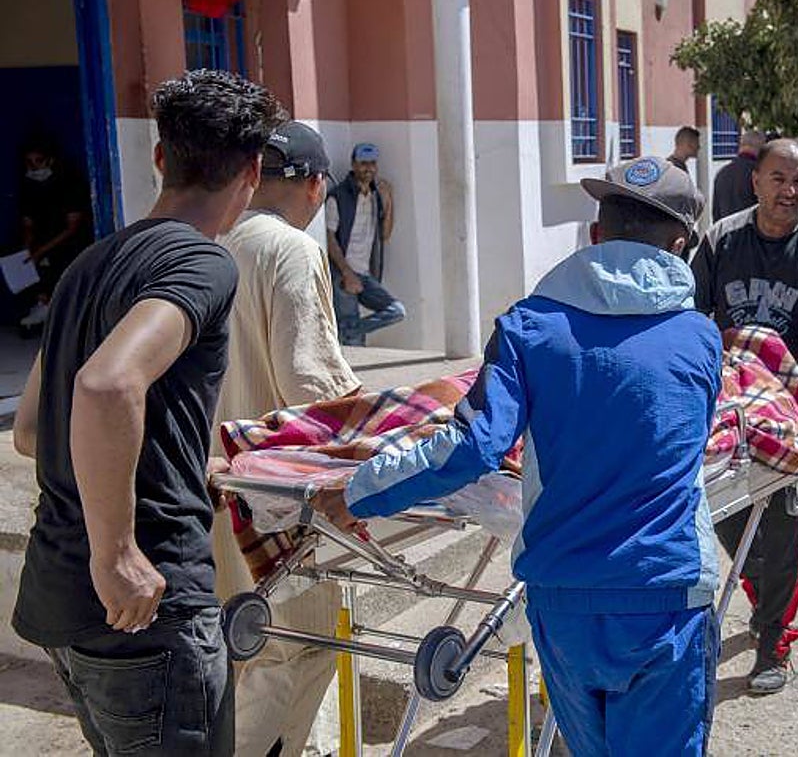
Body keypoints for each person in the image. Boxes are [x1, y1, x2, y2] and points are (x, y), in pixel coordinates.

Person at [312, 156, 721, 756]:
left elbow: (474, 446)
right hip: (667, 594)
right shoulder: (701, 339)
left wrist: (355, 493)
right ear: (681, 247)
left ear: (595, 236)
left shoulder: (529, 327)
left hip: (563, 603)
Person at [10, 69, 286, 756]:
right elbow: (107, 386)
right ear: (253, 171)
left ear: (161, 157)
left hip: (63, 599)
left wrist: (187, 461)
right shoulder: (203, 264)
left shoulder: (89, 263)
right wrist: (118, 553)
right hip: (143, 610)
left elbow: (30, 430)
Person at [212, 121, 361, 757]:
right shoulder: (292, 250)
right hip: (275, 497)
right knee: (294, 652)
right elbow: (313, 386)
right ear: (314, 184)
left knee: (246, 646)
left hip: (214, 483)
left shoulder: (214, 239)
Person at [691, 138, 798, 693]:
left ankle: (772, 644)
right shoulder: (719, 240)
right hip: (729, 410)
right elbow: (690, 322)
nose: (790, 192)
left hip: (794, 412)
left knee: (788, 532)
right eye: (779, 179)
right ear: (755, 181)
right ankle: (765, 592)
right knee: (722, 515)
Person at [326, 142, 406, 346]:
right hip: (342, 274)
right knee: (355, 344)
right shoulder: (338, 196)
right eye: (363, 163)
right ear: (353, 164)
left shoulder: (376, 195)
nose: (368, 168)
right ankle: (347, 334)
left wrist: (389, 200)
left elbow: (384, 235)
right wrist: (346, 272)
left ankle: (346, 331)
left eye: (372, 163)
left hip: (365, 273)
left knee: (396, 311)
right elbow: (329, 237)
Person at [15, 136, 94, 329]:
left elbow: (72, 228)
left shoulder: (69, 183)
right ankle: (42, 303)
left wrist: (40, 252)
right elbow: (28, 223)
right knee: (22, 259)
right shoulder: (29, 186)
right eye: (29, 163)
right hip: (44, 240)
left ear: (50, 160)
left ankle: (60, 308)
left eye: (38, 161)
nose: (34, 168)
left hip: (70, 241)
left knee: (62, 257)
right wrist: (27, 249)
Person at [712, 129, 766, 221]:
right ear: (760, 148)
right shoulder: (759, 174)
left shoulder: (722, 173)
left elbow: (716, 213)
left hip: (725, 231)